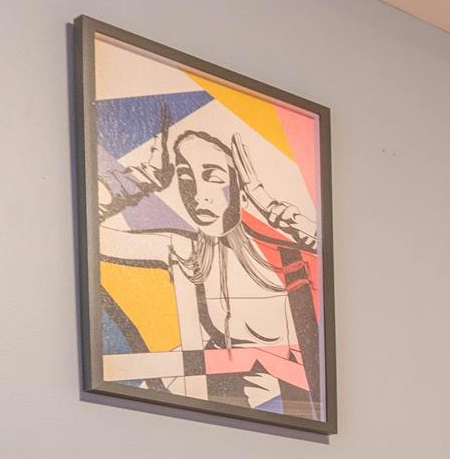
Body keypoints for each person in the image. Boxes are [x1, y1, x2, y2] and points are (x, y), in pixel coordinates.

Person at [95, 109, 321, 412]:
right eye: (185, 178)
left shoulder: (285, 256)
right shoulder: (184, 250)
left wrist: (271, 208)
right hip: (224, 409)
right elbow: (94, 232)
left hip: (295, 408)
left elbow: (346, 263)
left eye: (213, 177)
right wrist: (144, 177)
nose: (199, 195)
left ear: (240, 189)